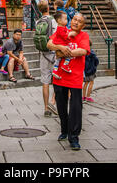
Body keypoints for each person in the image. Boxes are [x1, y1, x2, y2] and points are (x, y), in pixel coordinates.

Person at [47, 13, 90, 151]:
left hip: (75, 76)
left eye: (79, 21)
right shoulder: (62, 31)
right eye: (75, 19)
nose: (76, 22)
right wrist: (60, 48)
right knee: (61, 104)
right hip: (59, 76)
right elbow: (49, 44)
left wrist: (64, 52)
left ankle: (74, 137)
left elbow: (83, 51)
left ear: (82, 25)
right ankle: (64, 130)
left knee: (76, 107)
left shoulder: (83, 36)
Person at [37, 1, 58, 117]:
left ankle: (46, 108)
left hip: (43, 54)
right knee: (57, 80)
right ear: (48, 8)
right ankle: (52, 101)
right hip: (53, 53)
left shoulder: (38, 21)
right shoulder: (53, 21)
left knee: (45, 81)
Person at [51, 11, 77, 79]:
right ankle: (64, 65)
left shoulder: (63, 27)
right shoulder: (60, 28)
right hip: (61, 44)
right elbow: (65, 36)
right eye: (65, 19)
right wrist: (71, 34)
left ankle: (55, 70)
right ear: (59, 20)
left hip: (61, 44)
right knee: (68, 54)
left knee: (58, 59)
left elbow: (66, 32)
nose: (67, 20)